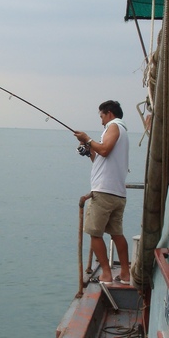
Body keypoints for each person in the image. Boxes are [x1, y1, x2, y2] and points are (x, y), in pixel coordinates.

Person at [73, 100, 131, 285]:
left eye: (101, 116)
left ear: (109, 113)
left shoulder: (114, 126)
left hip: (104, 192)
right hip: (117, 193)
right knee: (116, 234)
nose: (101, 121)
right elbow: (101, 159)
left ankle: (106, 274)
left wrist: (88, 139)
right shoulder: (122, 132)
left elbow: (104, 150)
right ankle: (125, 273)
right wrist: (89, 148)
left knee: (94, 233)